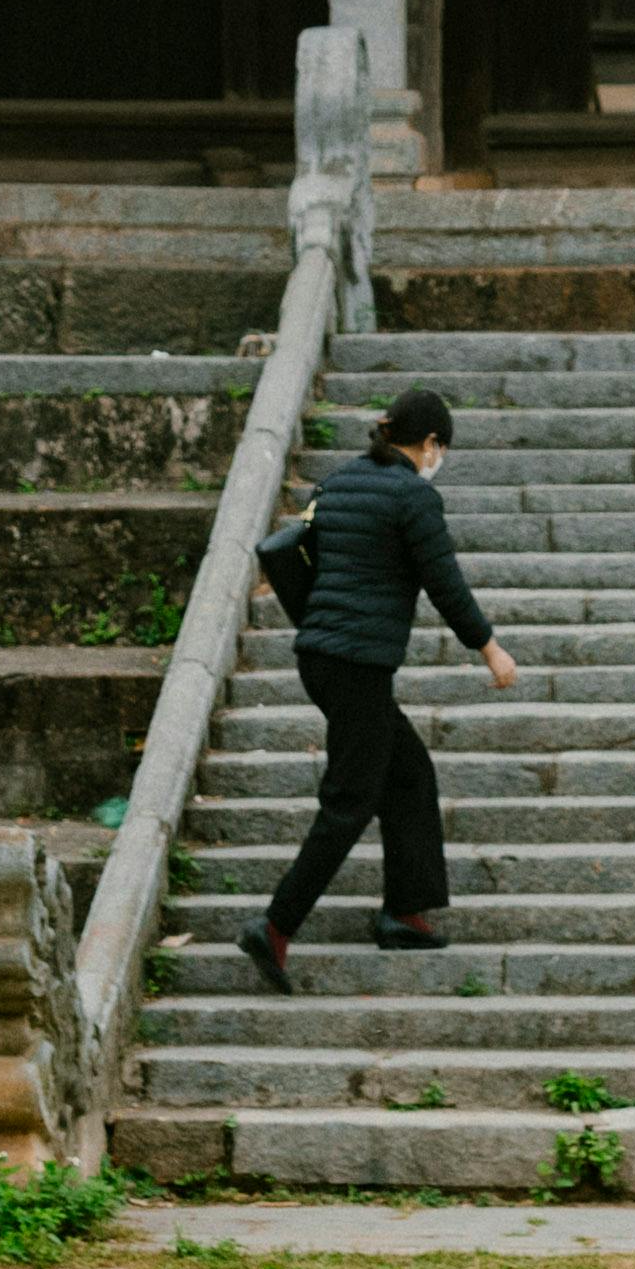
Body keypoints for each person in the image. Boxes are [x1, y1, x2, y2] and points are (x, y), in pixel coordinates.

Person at [236, 384, 519, 992]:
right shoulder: (412, 497)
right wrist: (489, 647)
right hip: (358, 664)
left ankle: (405, 913)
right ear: (431, 443)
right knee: (349, 801)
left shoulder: (338, 483)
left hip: (322, 655)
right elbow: (444, 581)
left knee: (409, 772)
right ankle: (276, 927)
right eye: (441, 448)